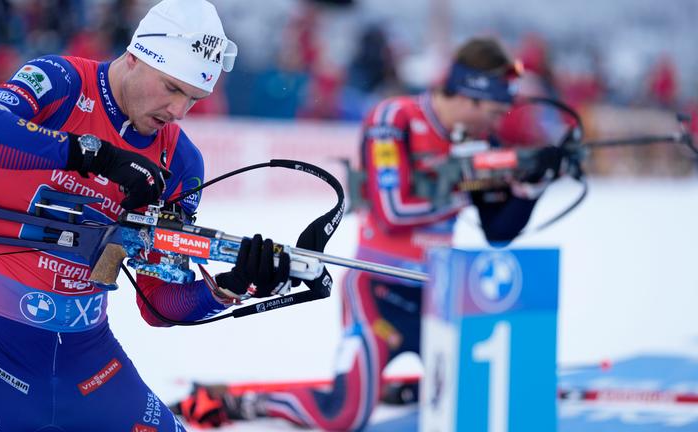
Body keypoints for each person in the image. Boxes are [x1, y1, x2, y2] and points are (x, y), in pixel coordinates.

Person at [0, 1, 292, 431]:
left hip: (91, 367)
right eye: (172, 88)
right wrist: (93, 154)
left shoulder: (180, 160)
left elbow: (158, 304)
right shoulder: (61, 81)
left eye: (194, 99)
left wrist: (231, 286)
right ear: (135, 57)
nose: (178, 111)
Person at [174, 37, 562, 430]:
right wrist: (469, 183)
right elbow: (394, 210)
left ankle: (395, 387)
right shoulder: (395, 118)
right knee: (343, 414)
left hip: (440, 296)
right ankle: (249, 405)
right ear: (469, 97)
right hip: (379, 292)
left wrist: (531, 185)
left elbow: (498, 230)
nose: (497, 124)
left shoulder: (479, 140)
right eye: (493, 112)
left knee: (479, 403)